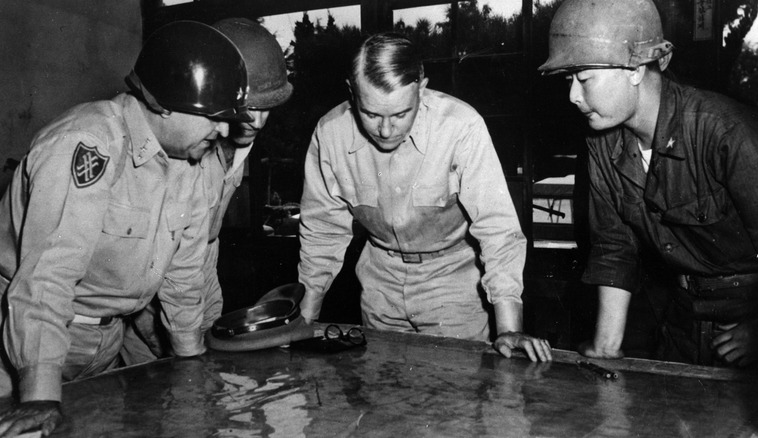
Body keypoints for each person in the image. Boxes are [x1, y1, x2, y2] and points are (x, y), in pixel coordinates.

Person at [0, 20, 252, 436]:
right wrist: (39, 395)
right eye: (215, 117)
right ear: (164, 103)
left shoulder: (190, 159)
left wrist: (191, 367)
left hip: (106, 344)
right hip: (22, 352)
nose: (226, 131)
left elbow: (184, 274)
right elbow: (46, 278)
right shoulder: (87, 144)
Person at [538, 0, 758, 367]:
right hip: (682, 325)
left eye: (584, 78)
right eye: (568, 81)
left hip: (753, 325)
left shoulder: (727, 133)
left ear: (635, 69)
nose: (572, 96)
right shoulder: (602, 143)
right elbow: (615, 248)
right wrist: (606, 347)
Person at [297, 33, 552, 362]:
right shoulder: (330, 134)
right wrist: (304, 323)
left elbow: (498, 229)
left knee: (453, 403)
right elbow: (322, 232)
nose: (386, 131)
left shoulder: (461, 127)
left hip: (453, 284)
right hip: (379, 284)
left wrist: (508, 330)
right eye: (371, 114)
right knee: (383, 401)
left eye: (400, 114)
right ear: (351, 91)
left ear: (422, 88)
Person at [120, 18, 294, 365]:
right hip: (146, 300)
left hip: (199, 278)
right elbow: (137, 268)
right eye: (249, 108)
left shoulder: (237, 145)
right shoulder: (180, 150)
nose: (256, 122)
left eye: (266, 108)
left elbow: (201, 253)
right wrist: (164, 338)